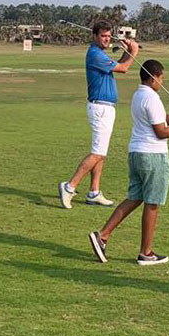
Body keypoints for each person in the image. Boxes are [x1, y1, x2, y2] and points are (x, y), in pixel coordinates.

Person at [87, 59, 169, 265]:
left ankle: (102, 235)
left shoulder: (140, 94)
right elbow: (161, 132)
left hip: (137, 154)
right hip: (153, 156)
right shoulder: (152, 98)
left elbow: (161, 119)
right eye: (161, 78)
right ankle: (145, 253)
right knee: (152, 203)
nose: (162, 83)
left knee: (134, 198)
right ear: (154, 77)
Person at [58, 20, 139, 209]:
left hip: (106, 108)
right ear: (94, 36)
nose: (106, 39)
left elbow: (119, 65)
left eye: (108, 36)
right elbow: (124, 68)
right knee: (97, 153)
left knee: (101, 153)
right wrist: (133, 52)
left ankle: (94, 192)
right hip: (100, 109)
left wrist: (127, 52)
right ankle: (70, 187)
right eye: (102, 36)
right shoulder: (95, 55)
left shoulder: (101, 54)